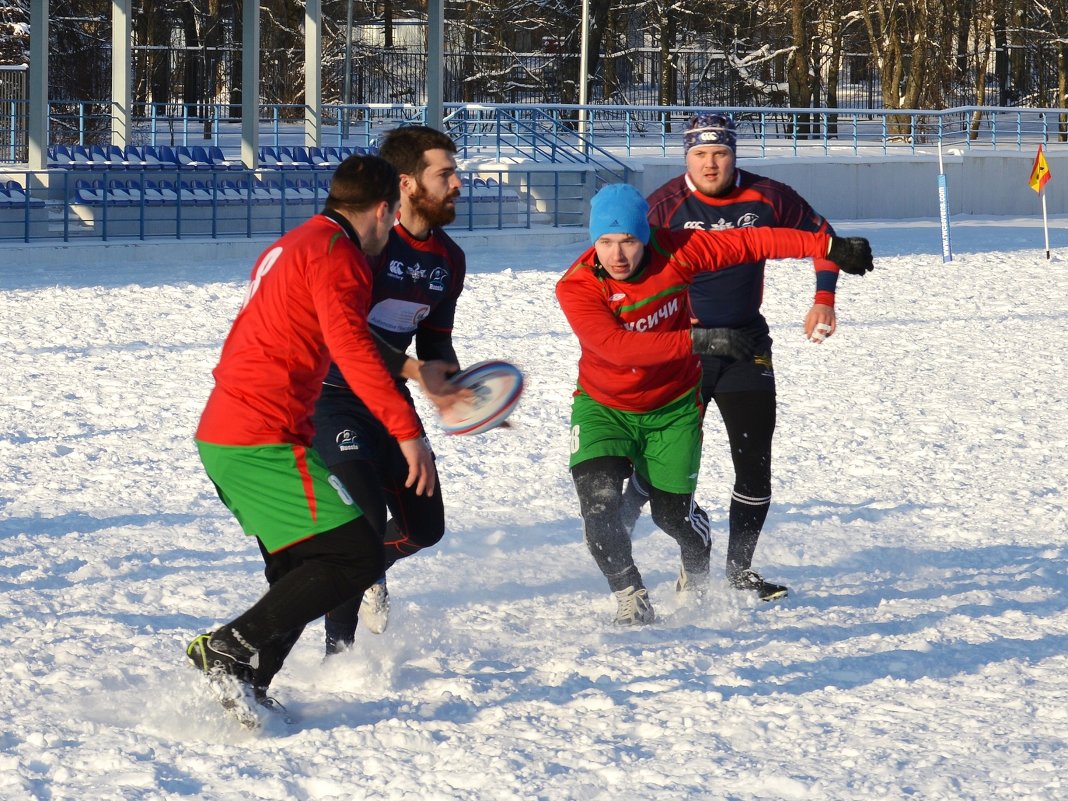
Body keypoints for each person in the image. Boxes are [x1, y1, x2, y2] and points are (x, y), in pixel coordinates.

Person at [187, 154, 436, 725]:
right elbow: (350, 349)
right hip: (258, 435)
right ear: (381, 210)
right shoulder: (339, 255)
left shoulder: (300, 240)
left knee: (298, 570)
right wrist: (406, 431)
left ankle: (246, 687)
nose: (393, 227)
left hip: (233, 431)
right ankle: (226, 649)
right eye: (393, 215)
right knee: (355, 556)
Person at [555, 182, 872, 625]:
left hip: (673, 408)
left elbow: (751, 241)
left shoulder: (680, 250)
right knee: (599, 509)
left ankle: (697, 551)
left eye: (627, 240)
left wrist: (829, 245)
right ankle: (633, 597)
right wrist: (699, 339)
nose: (617, 254)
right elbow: (615, 348)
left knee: (672, 517)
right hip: (603, 406)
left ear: (646, 235)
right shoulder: (577, 285)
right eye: (605, 242)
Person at [619, 112, 851, 602]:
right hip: (686, 350)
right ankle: (625, 517)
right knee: (663, 459)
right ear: (686, 157)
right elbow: (623, 268)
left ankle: (740, 569)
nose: (710, 163)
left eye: (719, 153)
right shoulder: (663, 205)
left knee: (754, 459)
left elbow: (825, 238)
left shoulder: (768, 196)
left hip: (747, 344)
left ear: (734, 155)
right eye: (700, 154)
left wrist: (824, 297)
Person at [313, 125, 467, 653]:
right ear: (405, 184)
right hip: (331, 395)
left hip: (388, 398)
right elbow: (345, 336)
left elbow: (435, 341)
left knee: (425, 528)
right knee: (361, 520)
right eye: (444, 173)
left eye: (455, 171)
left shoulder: (449, 259)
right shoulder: (367, 243)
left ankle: (367, 568)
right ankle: (339, 653)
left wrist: (459, 387)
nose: (457, 183)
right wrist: (412, 370)